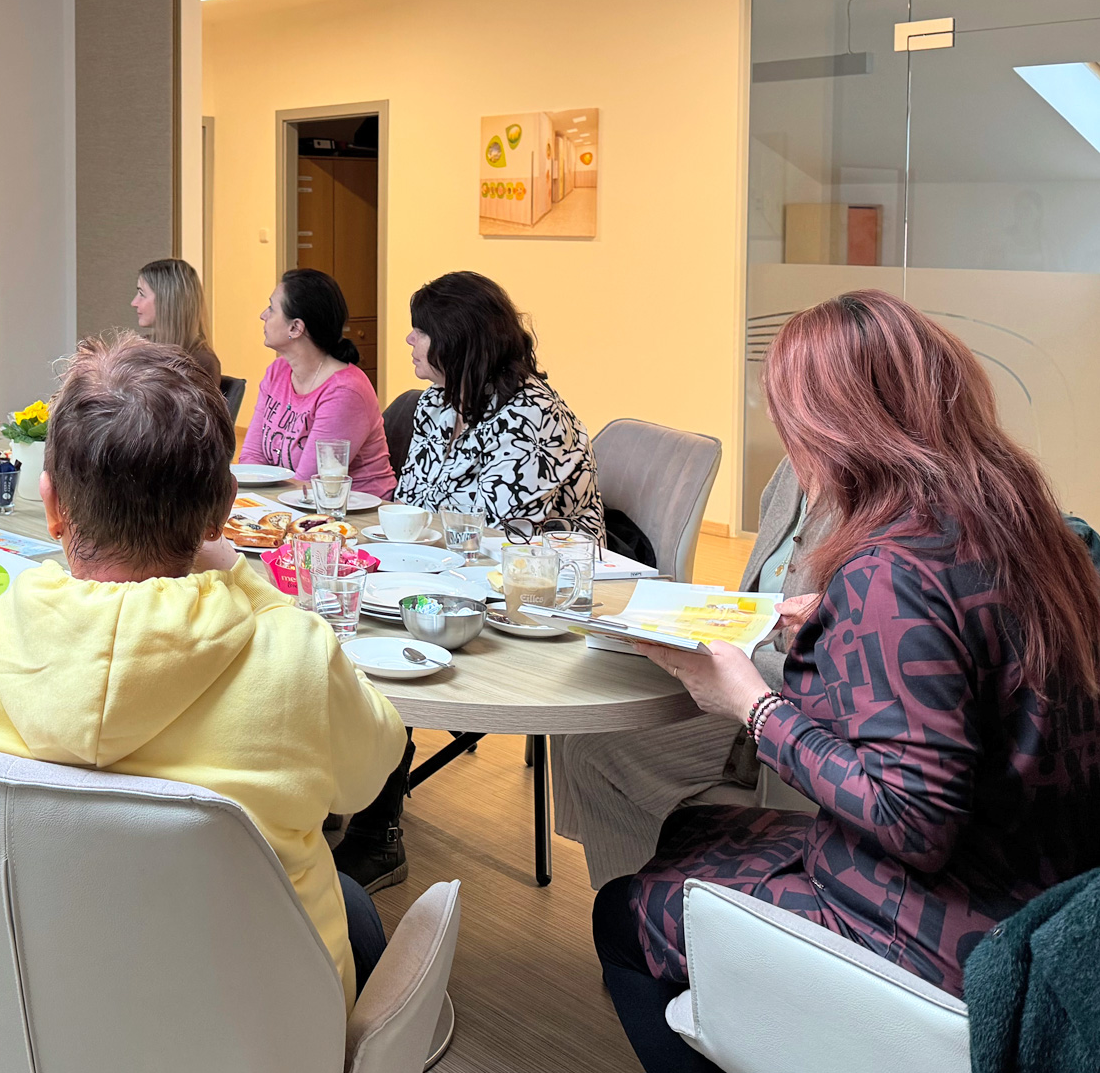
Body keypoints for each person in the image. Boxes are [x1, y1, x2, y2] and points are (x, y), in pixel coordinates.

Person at [596, 290, 1100, 1073]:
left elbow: (912, 819)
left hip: (942, 934)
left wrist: (751, 705)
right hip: (1042, 896)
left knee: (620, 912)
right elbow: (964, 696)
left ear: (840, 429)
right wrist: (837, 631)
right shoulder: (1022, 523)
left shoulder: (890, 570)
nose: (791, 450)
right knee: (687, 833)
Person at [0, 332, 406, 1011]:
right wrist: (261, 593)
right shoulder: (294, 659)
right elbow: (373, 771)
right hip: (241, 1035)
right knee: (354, 910)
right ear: (221, 511)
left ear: (49, 505)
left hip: (6, 1015)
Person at [552, 457, 820, 889]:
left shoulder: (885, 495)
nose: (776, 412)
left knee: (591, 749)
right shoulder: (791, 471)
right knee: (593, 697)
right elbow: (757, 601)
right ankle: (648, 912)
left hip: (786, 712)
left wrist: (816, 621)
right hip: (747, 671)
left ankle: (643, 917)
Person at [393, 272, 600, 537]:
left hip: (546, 570)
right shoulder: (435, 402)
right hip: (449, 560)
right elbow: (407, 506)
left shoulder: (531, 416)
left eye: (422, 331)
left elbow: (499, 535)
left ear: (458, 341)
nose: (409, 339)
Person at [238, 269, 395, 497]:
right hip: (294, 504)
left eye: (272, 308)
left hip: (354, 514)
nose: (263, 315)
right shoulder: (277, 371)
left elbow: (309, 484)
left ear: (296, 328)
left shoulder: (344, 391)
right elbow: (252, 457)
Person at [131, 257, 223, 388]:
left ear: (167, 301)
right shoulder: (140, 347)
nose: (134, 303)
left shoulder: (202, 362)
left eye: (142, 294)